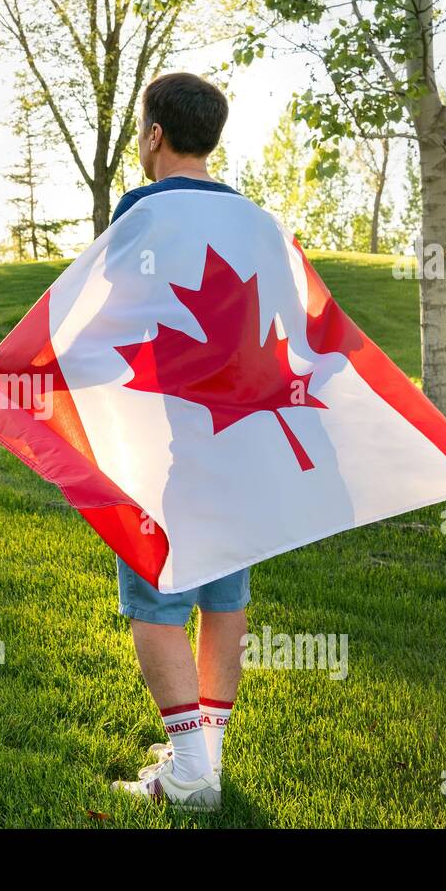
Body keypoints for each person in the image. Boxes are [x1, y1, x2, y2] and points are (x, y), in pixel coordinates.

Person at [107, 72, 247, 813]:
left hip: (168, 442)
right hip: (242, 437)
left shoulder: (140, 212)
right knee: (224, 593)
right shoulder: (252, 218)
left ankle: (191, 774)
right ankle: (205, 757)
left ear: (154, 135)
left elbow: (107, 318)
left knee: (156, 601)